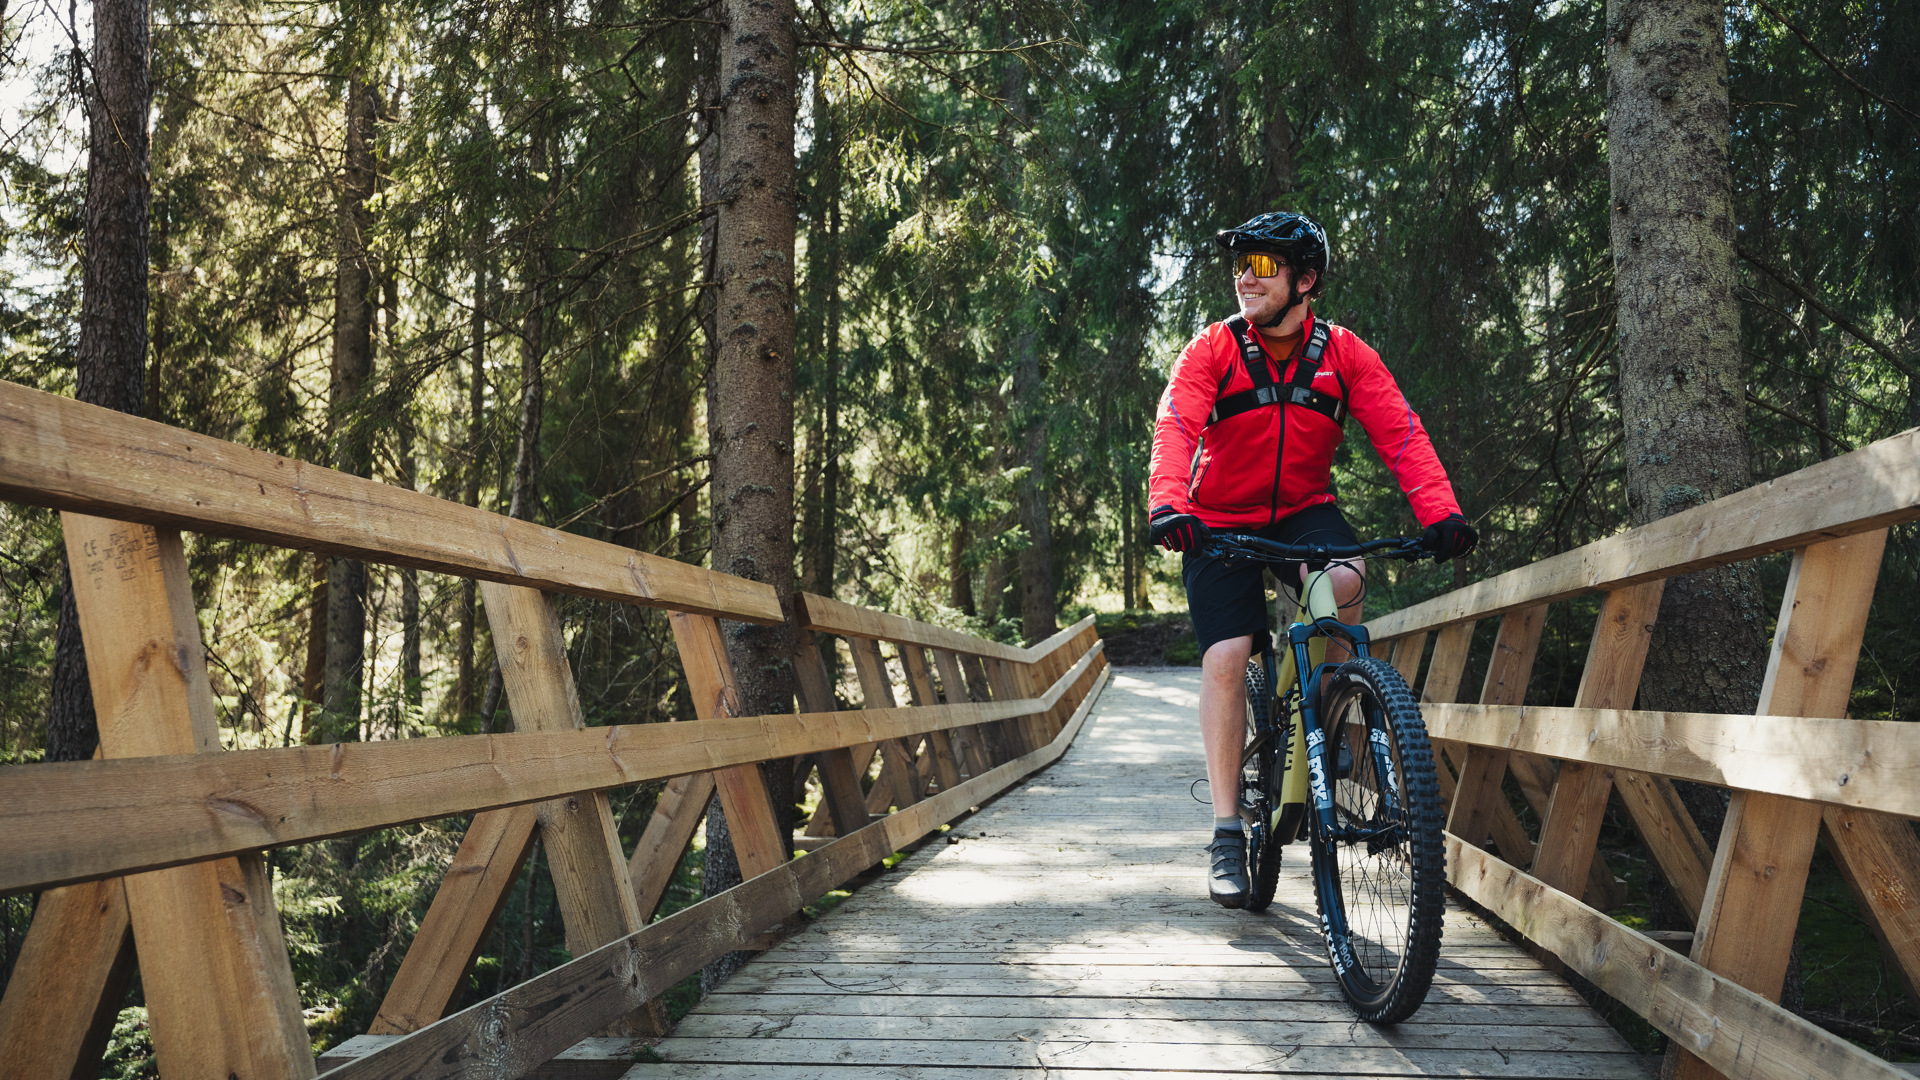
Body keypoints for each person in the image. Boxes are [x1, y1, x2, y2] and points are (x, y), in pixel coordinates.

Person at [1146, 211, 1478, 908]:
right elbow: (1177, 422)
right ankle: (1227, 832)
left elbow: (1402, 434)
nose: (1244, 276)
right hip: (1217, 520)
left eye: (1262, 266)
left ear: (1305, 280)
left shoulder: (1344, 353)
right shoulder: (1213, 349)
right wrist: (1168, 505)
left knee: (1348, 577)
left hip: (1302, 509)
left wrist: (1441, 515)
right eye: (1239, 264)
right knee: (1228, 655)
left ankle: (1330, 708)